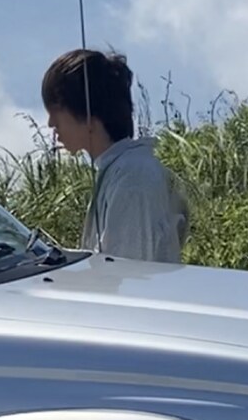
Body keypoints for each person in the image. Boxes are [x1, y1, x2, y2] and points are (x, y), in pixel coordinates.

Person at [41, 48, 189, 263]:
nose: (51, 124)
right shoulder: (121, 170)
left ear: (89, 114)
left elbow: (128, 274)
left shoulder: (133, 177)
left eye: (56, 111)